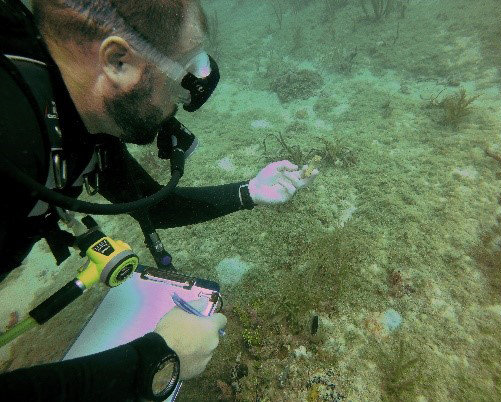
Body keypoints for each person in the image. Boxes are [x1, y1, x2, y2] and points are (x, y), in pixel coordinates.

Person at [0, 0, 319, 400]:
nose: (184, 100)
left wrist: (250, 190)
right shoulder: (10, 138)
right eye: (183, 71)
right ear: (118, 62)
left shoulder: (78, 116)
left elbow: (153, 205)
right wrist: (153, 359)